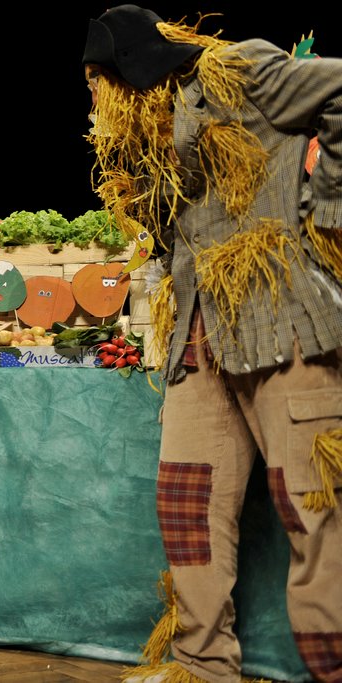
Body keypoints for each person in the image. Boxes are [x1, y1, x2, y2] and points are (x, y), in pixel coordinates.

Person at [82, 6, 341, 682]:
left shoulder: (240, 71)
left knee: (315, 507)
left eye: (102, 81)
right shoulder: (151, 133)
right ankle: (202, 667)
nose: (98, 98)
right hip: (199, 339)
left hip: (280, 323)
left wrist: (324, 210)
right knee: (187, 506)